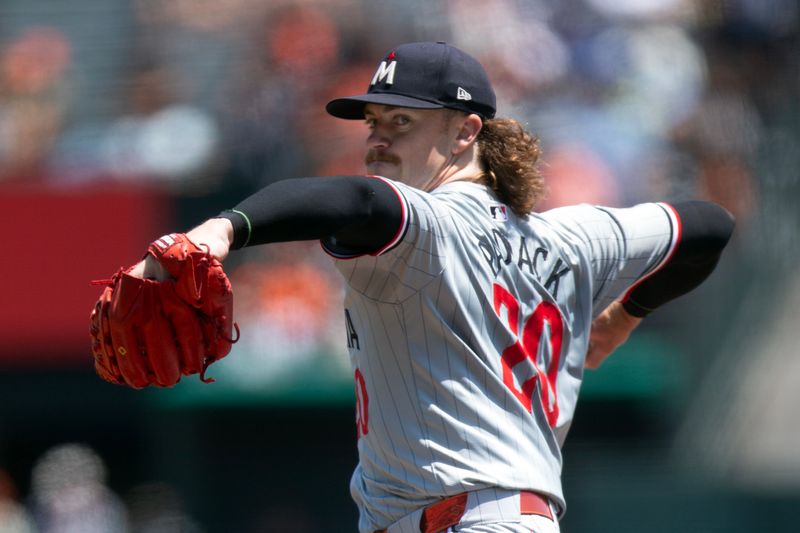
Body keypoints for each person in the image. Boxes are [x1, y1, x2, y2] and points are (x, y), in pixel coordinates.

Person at [131, 42, 734, 533]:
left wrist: (222, 228)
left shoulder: (431, 222)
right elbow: (706, 227)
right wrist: (625, 316)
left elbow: (354, 197)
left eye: (401, 121)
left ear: (467, 130)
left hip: (470, 518)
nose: (376, 140)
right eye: (373, 123)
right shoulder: (574, 235)